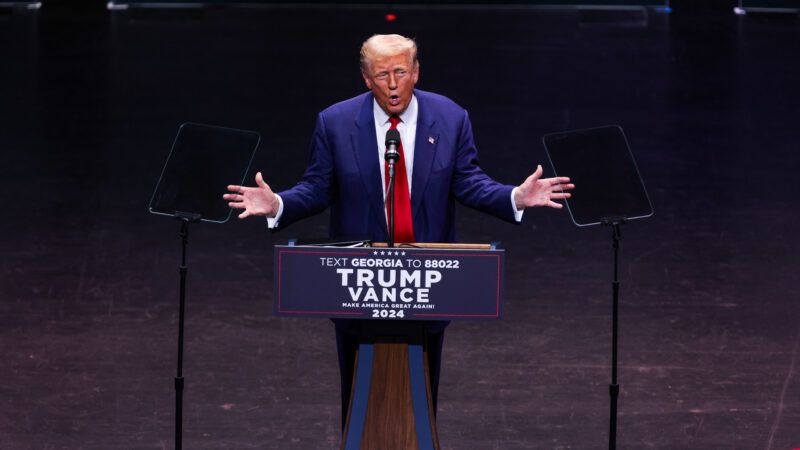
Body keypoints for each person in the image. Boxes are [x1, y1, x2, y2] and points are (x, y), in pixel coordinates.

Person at [223, 33, 574, 428]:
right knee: (358, 400)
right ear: (365, 78)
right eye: (382, 74)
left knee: (421, 398)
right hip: (358, 284)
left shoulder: (450, 118)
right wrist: (279, 204)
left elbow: (468, 182)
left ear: (417, 72)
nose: (393, 84)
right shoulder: (335, 123)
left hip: (427, 280)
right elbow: (318, 188)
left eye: (401, 72)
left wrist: (514, 196)